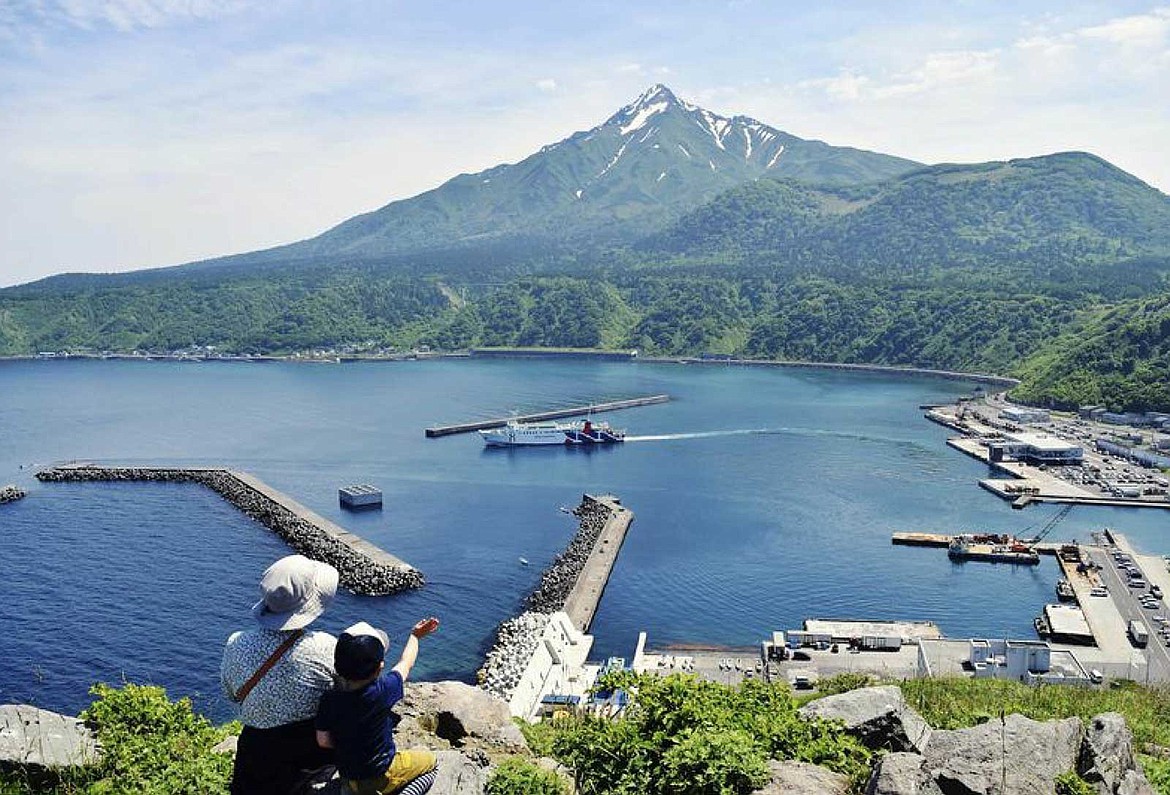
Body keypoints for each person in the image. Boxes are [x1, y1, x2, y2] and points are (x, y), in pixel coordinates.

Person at [221, 554, 340, 795]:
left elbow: (232, 695)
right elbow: (346, 696)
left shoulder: (236, 643)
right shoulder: (326, 648)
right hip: (310, 760)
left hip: (254, 757)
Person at [315, 617, 441, 795]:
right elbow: (406, 664)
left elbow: (324, 741)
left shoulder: (329, 699)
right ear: (380, 667)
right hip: (381, 775)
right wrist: (415, 636)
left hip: (348, 776)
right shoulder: (384, 690)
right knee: (432, 763)